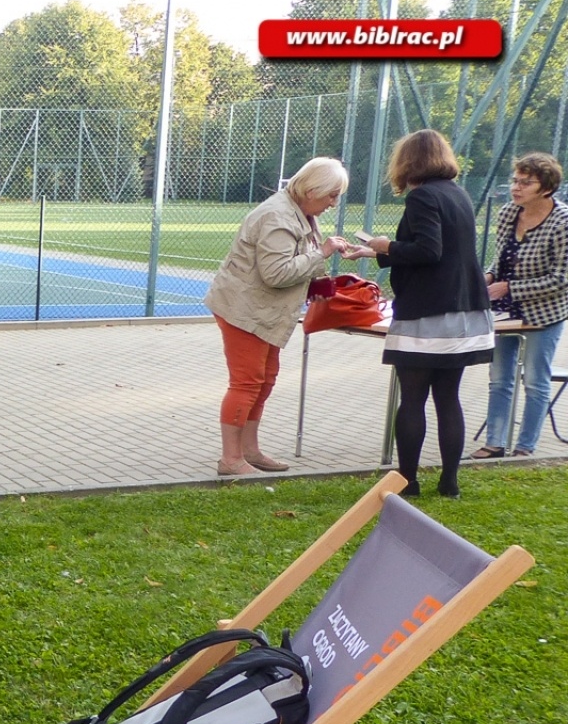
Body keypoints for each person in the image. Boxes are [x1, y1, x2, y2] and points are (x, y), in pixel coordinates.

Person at [348, 130, 493, 498]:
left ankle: (408, 481)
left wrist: (386, 245)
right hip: (464, 312)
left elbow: (429, 251)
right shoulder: (457, 194)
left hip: (428, 314)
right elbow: (440, 250)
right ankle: (449, 483)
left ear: (407, 161)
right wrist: (375, 253)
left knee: (412, 398)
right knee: (448, 397)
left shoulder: (422, 196)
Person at [204, 157, 353, 476]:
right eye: (331, 195)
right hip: (244, 310)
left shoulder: (299, 210)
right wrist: (322, 253)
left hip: (263, 311)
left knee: (265, 378)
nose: (333, 203)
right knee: (247, 382)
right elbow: (276, 273)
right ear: (312, 189)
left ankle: (249, 450)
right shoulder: (277, 216)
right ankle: (231, 460)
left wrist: (321, 273)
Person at [470, 151, 568, 460]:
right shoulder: (508, 213)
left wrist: (512, 287)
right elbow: (499, 261)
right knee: (499, 378)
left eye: (526, 182)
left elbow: (562, 278)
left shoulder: (563, 221)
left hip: (544, 314)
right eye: (515, 180)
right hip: (503, 313)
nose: (516, 187)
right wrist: (485, 279)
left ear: (547, 187)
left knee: (535, 381)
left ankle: (525, 448)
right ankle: (494, 443)